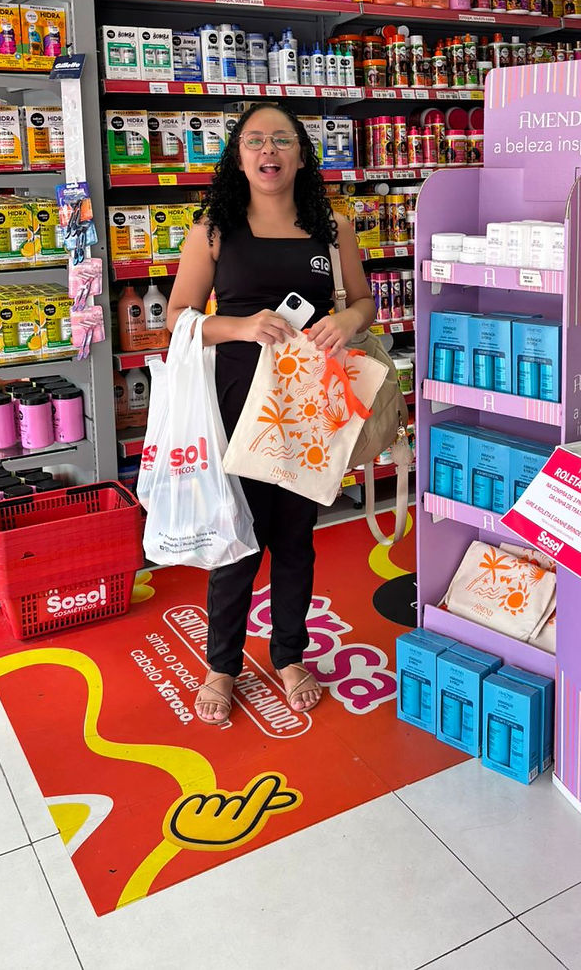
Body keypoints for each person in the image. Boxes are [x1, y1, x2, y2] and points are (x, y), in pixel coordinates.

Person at [167, 102, 375, 725]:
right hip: (236, 403)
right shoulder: (213, 230)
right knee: (235, 537)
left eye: (282, 140)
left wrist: (347, 319)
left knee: (295, 539)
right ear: (238, 156)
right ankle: (221, 665)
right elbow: (177, 317)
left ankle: (289, 654)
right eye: (255, 139)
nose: (269, 150)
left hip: (309, 406)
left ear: (302, 155)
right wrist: (239, 325)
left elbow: (364, 302)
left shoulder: (333, 228)